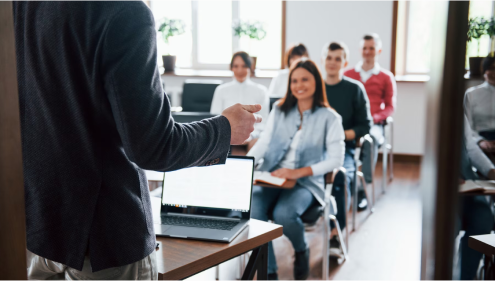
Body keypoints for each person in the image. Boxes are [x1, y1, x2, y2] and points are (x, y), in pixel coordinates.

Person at [14, 0, 262, 279]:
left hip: (38, 227)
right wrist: (224, 129)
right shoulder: (124, 12)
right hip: (105, 240)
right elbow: (154, 147)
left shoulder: (22, 6)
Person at [248, 59, 345, 281]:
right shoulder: (280, 109)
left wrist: (297, 173)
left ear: (316, 83)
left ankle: (301, 250)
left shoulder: (330, 118)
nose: (299, 85)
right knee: (254, 210)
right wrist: (245, 165)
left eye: (305, 79)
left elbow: (336, 159)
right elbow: (264, 142)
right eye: (294, 80)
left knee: (284, 213)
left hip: (306, 182)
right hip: (272, 176)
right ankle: (269, 271)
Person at [323, 42, 373, 253]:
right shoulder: (315, 89)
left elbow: (365, 126)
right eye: (329, 57)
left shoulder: (354, 89)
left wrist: (339, 135)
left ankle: (335, 233)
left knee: (341, 177)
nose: (333, 62)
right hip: (314, 150)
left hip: (345, 149)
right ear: (323, 60)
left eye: (337, 58)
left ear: (345, 62)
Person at [344, 33, 397, 210]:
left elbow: (390, 106)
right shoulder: (348, 74)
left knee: (370, 140)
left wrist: (375, 118)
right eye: (364, 48)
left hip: (374, 124)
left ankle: (361, 188)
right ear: (360, 50)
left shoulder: (386, 77)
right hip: (351, 124)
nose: (367, 52)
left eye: (371, 48)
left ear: (378, 50)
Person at [458, 115, 495, 281]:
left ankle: (465, 277)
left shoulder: (460, 113)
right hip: (444, 186)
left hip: (468, 181)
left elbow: (470, 147)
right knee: (451, 223)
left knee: (484, 218)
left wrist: (491, 171)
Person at [211, 51, 269, 150]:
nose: (239, 70)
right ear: (231, 67)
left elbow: (264, 121)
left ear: (250, 67)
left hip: (252, 137)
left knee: (258, 145)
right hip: (226, 136)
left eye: (244, 66)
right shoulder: (221, 90)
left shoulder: (261, 91)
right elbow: (215, 116)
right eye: (236, 66)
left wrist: (250, 135)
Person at [464, 56, 495, 162]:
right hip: (479, 137)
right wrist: (480, 141)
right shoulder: (471, 94)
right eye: (491, 68)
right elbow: (467, 125)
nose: (494, 72)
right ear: (484, 71)